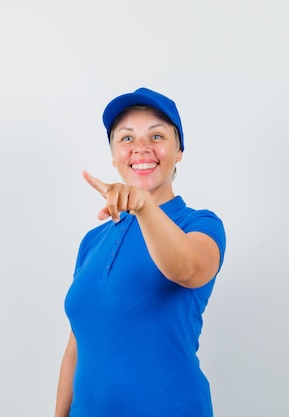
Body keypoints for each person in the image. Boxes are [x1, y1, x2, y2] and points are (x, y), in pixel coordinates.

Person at [54, 87, 227, 417]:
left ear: (178, 152)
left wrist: (145, 206)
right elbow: (77, 347)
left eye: (157, 135)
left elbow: (188, 270)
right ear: (114, 155)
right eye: (127, 138)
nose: (141, 148)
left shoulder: (200, 225)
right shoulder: (92, 241)